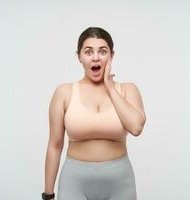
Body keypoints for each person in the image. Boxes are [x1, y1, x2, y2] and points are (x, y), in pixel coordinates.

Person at [42, 27, 146, 200]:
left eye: (103, 51)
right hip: (74, 182)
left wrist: (110, 88)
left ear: (111, 56)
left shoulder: (127, 89)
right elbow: (55, 145)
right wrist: (48, 194)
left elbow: (136, 127)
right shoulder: (64, 92)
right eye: (88, 52)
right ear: (79, 57)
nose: (96, 57)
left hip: (120, 183)